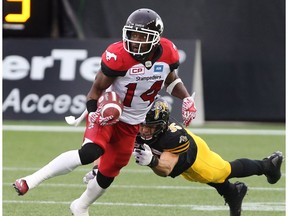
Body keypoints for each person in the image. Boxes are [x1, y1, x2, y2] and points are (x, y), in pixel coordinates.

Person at [13, 8, 197, 216]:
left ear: (155, 39)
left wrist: (187, 98)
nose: (135, 41)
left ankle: (80, 206)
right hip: (109, 113)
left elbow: (171, 81)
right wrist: (94, 114)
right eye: (132, 34)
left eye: (141, 36)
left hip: (133, 123)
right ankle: (30, 180)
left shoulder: (168, 53)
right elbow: (95, 91)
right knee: (90, 152)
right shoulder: (118, 56)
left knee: (109, 172)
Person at [130, 98, 283, 216]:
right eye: (142, 125)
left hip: (193, 157)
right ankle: (233, 192)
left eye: (151, 126)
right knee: (211, 177)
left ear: (162, 125)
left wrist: (152, 161)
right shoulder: (133, 123)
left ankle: (268, 165)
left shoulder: (172, 137)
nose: (144, 130)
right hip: (178, 152)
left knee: (221, 171)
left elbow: (166, 169)